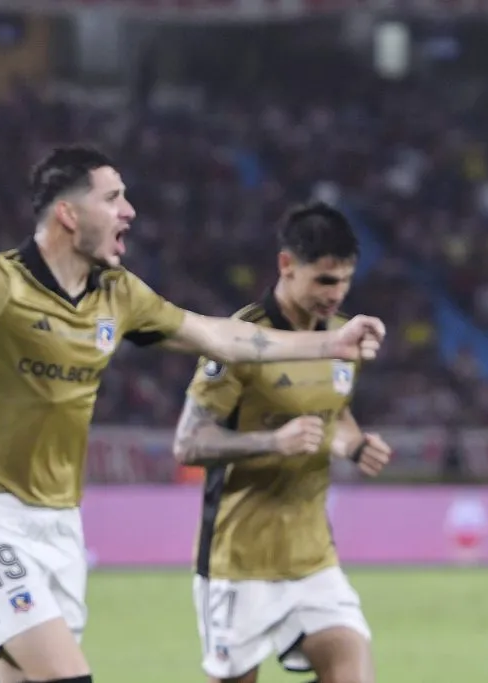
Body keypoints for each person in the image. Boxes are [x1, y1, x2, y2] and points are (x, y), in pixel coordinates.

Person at [0, 146, 387, 683]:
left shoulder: (118, 294)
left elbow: (220, 335)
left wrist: (331, 344)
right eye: (113, 197)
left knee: (23, 675)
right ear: (69, 214)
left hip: (61, 524)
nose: (129, 211)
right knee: (66, 677)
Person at [172, 203, 393, 683]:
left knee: (353, 668)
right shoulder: (241, 340)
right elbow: (188, 443)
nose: (337, 295)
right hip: (238, 560)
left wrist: (354, 444)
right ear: (286, 266)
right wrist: (272, 441)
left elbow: (335, 412)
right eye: (324, 281)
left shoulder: (343, 339)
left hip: (313, 557)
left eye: (345, 281)